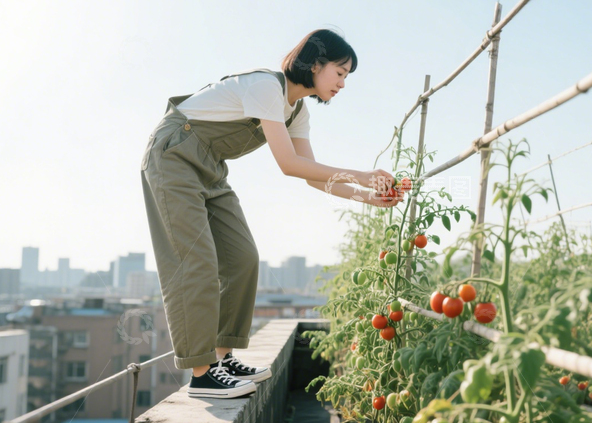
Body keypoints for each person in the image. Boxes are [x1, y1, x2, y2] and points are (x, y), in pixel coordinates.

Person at [140, 29, 402, 399]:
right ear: (315, 64)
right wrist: (362, 175)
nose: (343, 83)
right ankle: (202, 375)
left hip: (210, 167)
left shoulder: (297, 112)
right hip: (174, 155)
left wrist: (365, 196)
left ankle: (222, 358)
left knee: (242, 259)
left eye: (347, 76)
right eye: (340, 73)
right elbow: (289, 164)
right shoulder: (267, 87)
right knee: (195, 262)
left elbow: (311, 176)